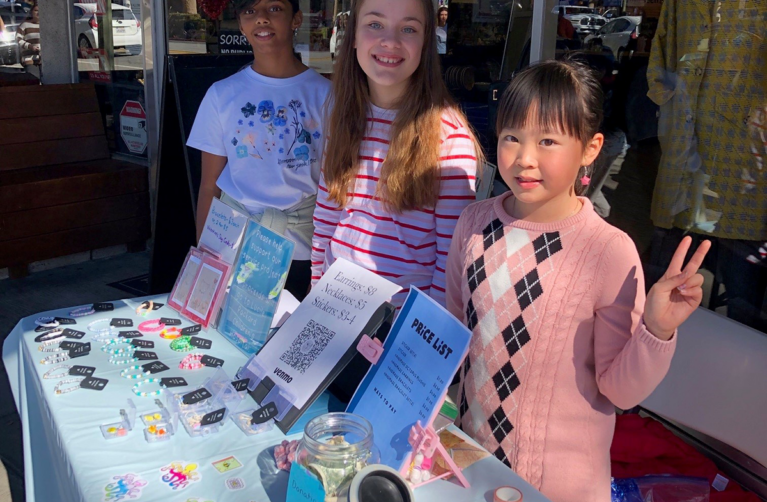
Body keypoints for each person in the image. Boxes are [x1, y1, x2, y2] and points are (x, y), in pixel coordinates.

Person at [445, 60, 711, 502]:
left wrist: (657, 329)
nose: (525, 158)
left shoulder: (608, 250)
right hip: (472, 469)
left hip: (561, 490)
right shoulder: (472, 225)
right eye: (512, 137)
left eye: (547, 140)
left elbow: (619, 390)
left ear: (590, 148)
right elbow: (453, 336)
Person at [310, 0, 482, 309]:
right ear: (353, 37)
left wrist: (416, 338)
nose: (390, 41)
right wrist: (314, 296)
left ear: (426, 43)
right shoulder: (344, 116)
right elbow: (326, 218)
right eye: (375, 24)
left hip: (395, 327)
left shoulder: (450, 138)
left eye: (408, 28)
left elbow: (450, 260)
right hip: (331, 308)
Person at [187, 0, 331, 301]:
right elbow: (208, 185)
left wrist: (326, 267)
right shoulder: (221, 94)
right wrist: (205, 257)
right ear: (240, 25)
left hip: (304, 249)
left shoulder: (328, 95)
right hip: (233, 245)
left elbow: (339, 189)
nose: (261, 19)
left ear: (296, 19)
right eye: (250, 11)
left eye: (275, 8)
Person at [16, 2, 40, 72]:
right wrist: (30, 46)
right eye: (36, 10)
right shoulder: (24, 25)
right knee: (34, 79)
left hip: (45, 61)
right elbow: (18, 40)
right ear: (31, 12)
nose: (38, 13)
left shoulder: (46, 26)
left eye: (40, 10)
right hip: (29, 59)